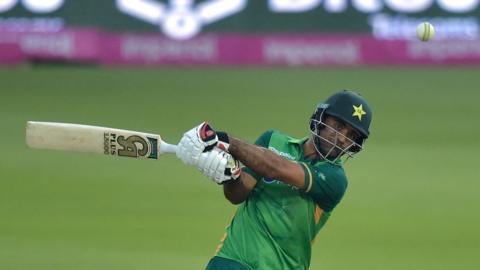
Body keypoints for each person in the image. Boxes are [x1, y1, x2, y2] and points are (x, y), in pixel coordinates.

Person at [176, 90, 372, 270]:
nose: (342, 139)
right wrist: (230, 176)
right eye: (338, 126)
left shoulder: (335, 178)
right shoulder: (272, 141)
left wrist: (224, 140)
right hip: (232, 260)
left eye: (352, 136)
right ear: (320, 119)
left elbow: (275, 167)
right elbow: (237, 195)